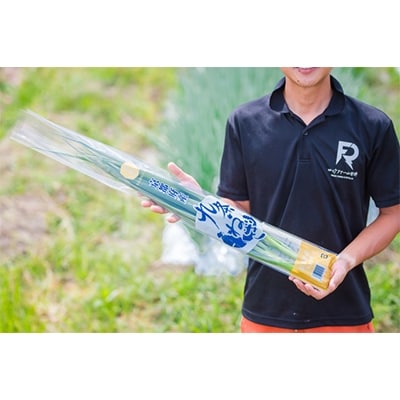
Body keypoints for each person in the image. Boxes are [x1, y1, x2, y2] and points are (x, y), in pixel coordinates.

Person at [142, 67, 400, 333]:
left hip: (344, 313)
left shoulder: (371, 126)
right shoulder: (246, 122)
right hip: (265, 311)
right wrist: (197, 204)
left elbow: (393, 212)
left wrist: (344, 261)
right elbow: (237, 209)